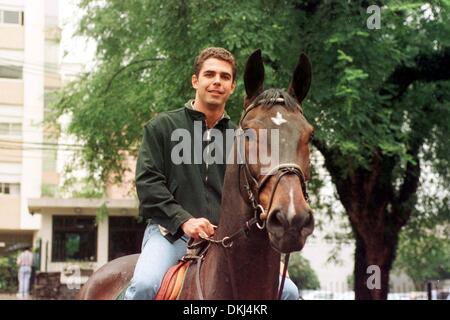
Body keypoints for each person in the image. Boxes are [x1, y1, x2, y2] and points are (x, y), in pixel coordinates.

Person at [124, 47, 299, 300]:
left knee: (289, 292)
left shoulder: (244, 139)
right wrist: (185, 221)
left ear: (232, 87)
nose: (217, 81)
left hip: (228, 241)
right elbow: (149, 185)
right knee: (144, 285)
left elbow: (258, 192)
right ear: (196, 81)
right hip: (171, 235)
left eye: (225, 77)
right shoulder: (162, 127)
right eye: (210, 74)